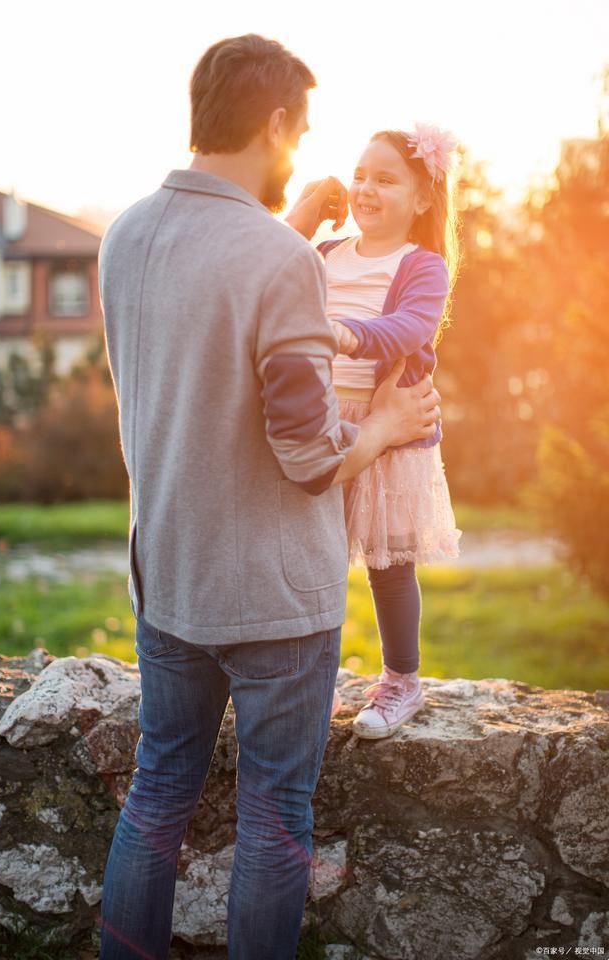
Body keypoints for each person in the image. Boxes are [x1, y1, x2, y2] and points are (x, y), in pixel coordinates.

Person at [97, 34, 441, 960]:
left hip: (167, 579)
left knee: (156, 796)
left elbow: (194, 350)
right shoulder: (285, 260)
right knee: (275, 817)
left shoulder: (125, 236)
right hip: (275, 601)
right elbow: (309, 455)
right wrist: (388, 428)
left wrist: (286, 222)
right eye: (303, 128)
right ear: (279, 122)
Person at [296, 126, 462, 739]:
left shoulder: (423, 267)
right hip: (319, 423)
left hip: (388, 432)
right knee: (313, 560)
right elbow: (266, 276)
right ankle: (308, 684)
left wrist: (342, 335)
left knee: (390, 567)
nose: (365, 188)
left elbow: (409, 328)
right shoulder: (325, 252)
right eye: (361, 175)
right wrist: (307, 215)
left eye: (385, 179)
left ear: (421, 199)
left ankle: (402, 681)